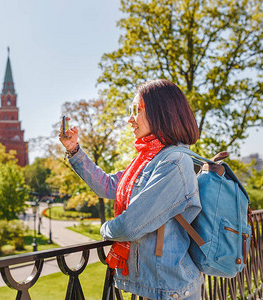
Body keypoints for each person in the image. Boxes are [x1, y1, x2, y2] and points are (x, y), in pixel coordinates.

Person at [59, 79, 202, 300]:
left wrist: (105, 230)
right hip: (153, 288)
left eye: (136, 110)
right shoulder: (147, 160)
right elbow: (107, 186)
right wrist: (74, 150)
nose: (130, 119)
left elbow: (130, 226)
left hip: (173, 291)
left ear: (160, 113)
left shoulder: (174, 163)